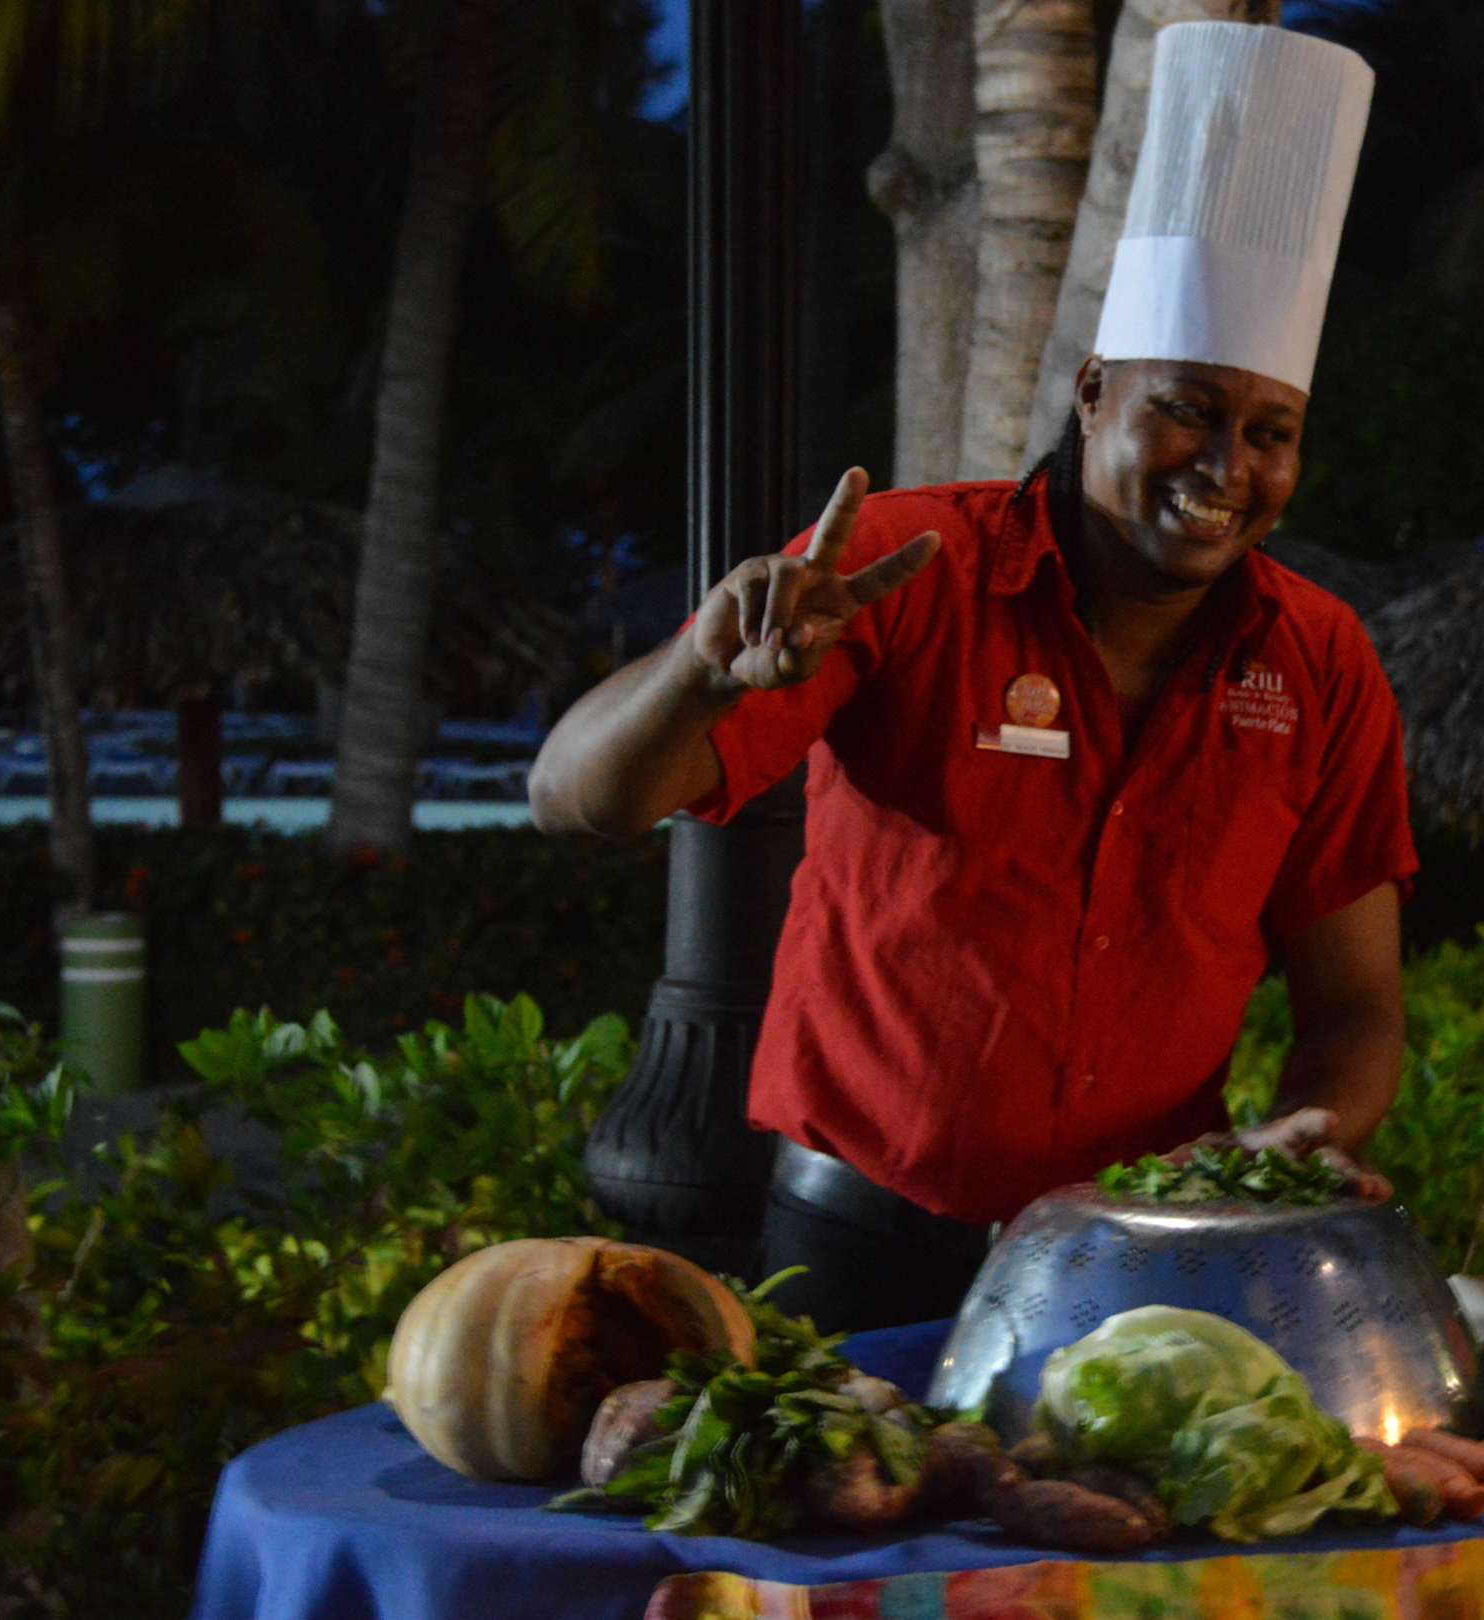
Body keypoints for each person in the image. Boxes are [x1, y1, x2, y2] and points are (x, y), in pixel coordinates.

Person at [528, 23, 1409, 1332]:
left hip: (1136, 1269)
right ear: (1094, 391)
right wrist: (703, 674)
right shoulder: (909, 566)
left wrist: (1305, 1137)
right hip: (857, 1241)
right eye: (1185, 409)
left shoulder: (1319, 659)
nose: (1227, 466)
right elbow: (574, 797)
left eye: (1269, 432)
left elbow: (1355, 1006)